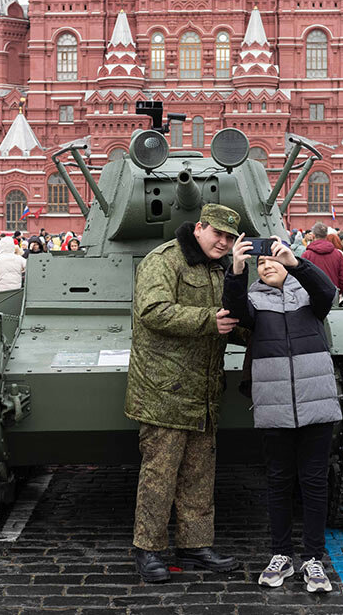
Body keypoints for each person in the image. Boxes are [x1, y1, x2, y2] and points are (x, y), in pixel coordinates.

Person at [125, 204, 242, 583]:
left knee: (199, 473)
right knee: (159, 474)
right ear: (200, 229)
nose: (223, 242)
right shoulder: (164, 260)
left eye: (229, 238)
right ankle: (149, 549)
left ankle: (195, 544)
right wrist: (210, 321)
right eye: (217, 235)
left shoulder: (219, 267)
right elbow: (152, 310)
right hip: (165, 389)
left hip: (203, 388)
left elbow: (231, 315)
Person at [223, 233, 339, 593]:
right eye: (262, 262)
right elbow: (235, 308)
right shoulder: (254, 301)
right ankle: (281, 555)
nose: (267, 264)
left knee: (314, 483)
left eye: (273, 259)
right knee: (278, 482)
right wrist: (237, 269)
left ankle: (314, 559)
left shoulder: (309, 298)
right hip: (275, 406)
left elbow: (328, 292)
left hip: (316, 404)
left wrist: (296, 262)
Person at [302, 223, 343, 294]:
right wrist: (337, 292)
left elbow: (303, 278)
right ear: (326, 235)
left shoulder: (307, 255)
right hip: (333, 295)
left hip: (314, 296)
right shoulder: (338, 254)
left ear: (313, 235)